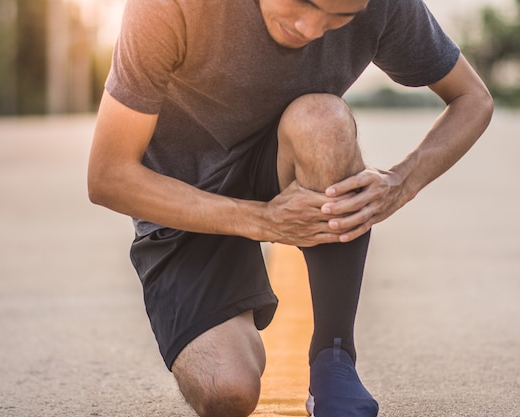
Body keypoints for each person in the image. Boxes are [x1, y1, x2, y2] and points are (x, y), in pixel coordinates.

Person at [87, 0, 493, 415]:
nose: (312, 27)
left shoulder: (385, 4)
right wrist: (261, 221)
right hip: (185, 195)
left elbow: (473, 98)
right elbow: (108, 175)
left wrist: (401, 181)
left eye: (340, 17)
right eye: (303, 1)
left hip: (278, 155)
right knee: (228, 392)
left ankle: (334, 361)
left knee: (324, 121)